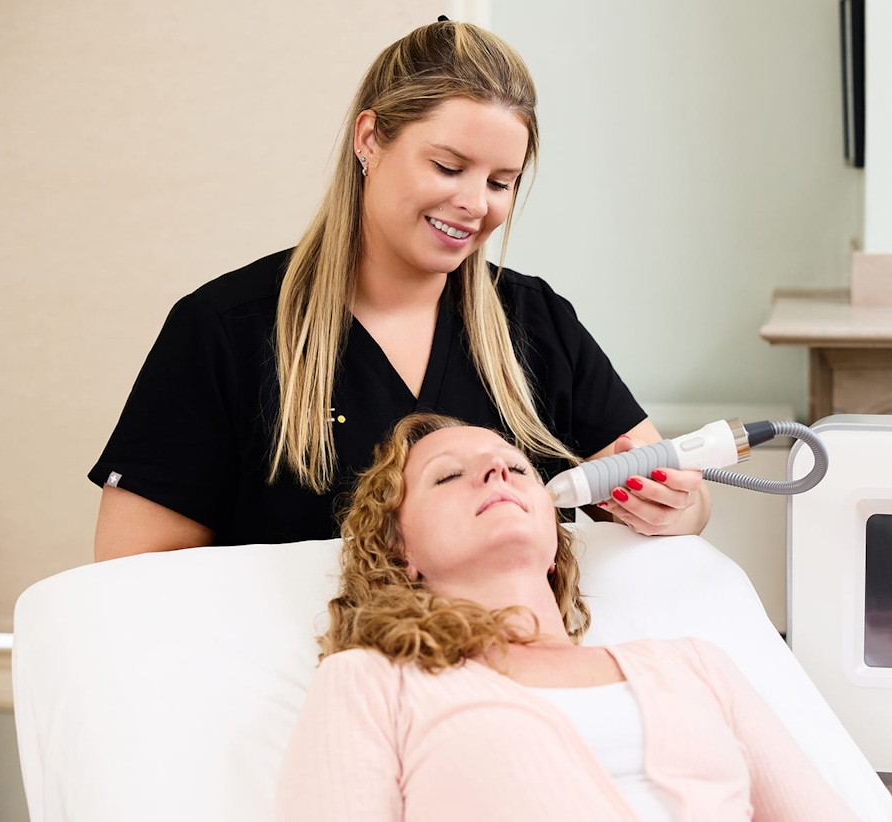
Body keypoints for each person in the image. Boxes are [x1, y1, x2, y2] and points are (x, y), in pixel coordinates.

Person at [89, 19, 710, 561]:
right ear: (369, 139)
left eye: (501, 181)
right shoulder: (226, 331)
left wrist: (676, 508)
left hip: (507, 673)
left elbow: (670, 490)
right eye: (447, 167)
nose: (473, 204)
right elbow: (134, 573)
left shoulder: (535, 322)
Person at [275, 413, 859, 821]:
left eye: (518, 468)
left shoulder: (695, 667)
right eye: (449, 475)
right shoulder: (373, 684)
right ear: (400, 553)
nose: (498, 473)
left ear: (556, 535)